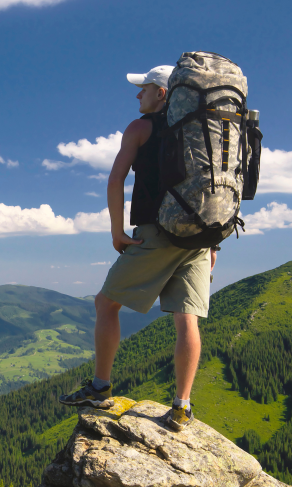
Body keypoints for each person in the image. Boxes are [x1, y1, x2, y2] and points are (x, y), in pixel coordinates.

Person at [58, 65, 217, 432]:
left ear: (161, 93)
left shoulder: (141, 128)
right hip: (200, 236)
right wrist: (213, 243)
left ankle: (99, 388)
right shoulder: (203, 130)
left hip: (157, 232)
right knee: (186, 318)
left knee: (105, 302)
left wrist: (117, 230)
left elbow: (115, 179)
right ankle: (182, 407)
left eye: (143, 88)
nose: (137, 95)